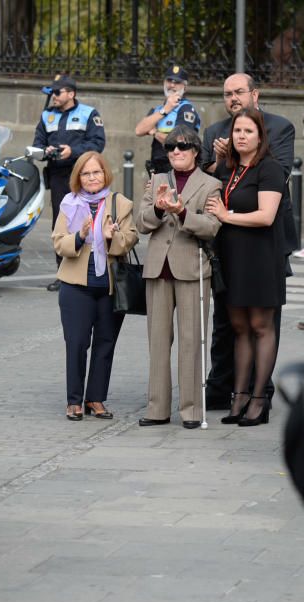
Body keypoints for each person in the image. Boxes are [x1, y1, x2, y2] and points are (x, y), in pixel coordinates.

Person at [200, 73, 295, 409]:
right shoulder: (214, 133)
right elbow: (206, 178)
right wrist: (218, 161)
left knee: (262, 321)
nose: (233, 98)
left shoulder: (279, 126)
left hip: (265, 239)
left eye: (239, 92)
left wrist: (232, 158)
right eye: (227, 93)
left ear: (255, 93)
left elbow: (278, 171)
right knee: (228, 320)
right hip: (228, 242)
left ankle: (260, 394)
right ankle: (222, 387)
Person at [137, 126, 221, 428]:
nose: (175, 152)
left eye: (182, 147)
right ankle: (157, 409)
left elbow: (212, 226)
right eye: (171, 147)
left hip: (193, 269)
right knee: (157, 341)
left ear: (195, 151)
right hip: (159, 269)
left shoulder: (211, 184)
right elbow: (141, 222)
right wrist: (159, 210)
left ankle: (191, 411)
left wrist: (183, 213)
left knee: (191, 341)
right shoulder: (157, 180)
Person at [52, 151, 137, 421]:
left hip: (110, 285)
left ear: (105, 174)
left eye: (96, 172)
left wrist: (112, 237)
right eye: (86, 173)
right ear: (78, 177)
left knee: (105, 343)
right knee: (76, 343)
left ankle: (96, 398)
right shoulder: (69, 203)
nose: (91, 178)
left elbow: (132, 237)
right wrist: (81, 236)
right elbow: (58, 242)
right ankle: (74, 400)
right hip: (76, 285)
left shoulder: (120, 203)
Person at [33, 74, 106, 291]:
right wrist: (44, 151)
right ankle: (62, 273)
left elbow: (97, 143)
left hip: (84, 175)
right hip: (58, 176)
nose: (53, 96)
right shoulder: (47, 116)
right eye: (52, 92)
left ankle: (90, 267)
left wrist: (73, 151)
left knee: (88, 219)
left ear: (71, 94)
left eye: (57, 92)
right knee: (61, 221)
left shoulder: (88, 113)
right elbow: (38, 142)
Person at [134, 66, 200, 176]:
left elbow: (179, 143)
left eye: (177, 82)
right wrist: (165, 110)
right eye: (169, 81)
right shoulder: (158, 110)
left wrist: (154, 132)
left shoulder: (186, 109)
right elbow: (138, 130)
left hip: (177, 168)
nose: (172, 85)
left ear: (185, 87)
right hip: (157, 169)